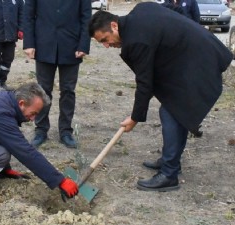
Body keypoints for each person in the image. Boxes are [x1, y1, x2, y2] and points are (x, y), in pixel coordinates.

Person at [88, 3, 232, 191]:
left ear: (114, 26)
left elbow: (145, 83)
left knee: (171, 113)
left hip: (199, 61)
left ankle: (169, 174)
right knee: (174, 111)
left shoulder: (136, 40)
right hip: (189, 57)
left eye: (105, 39)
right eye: (101, 43)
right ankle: (169, 161)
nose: (107, 46)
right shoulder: (139, 10)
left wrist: (134, 118)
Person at [23, 0, 92, 148]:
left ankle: (65, 131)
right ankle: (41, 129)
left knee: (68, 90)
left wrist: (83, 44)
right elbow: (28, 15)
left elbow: (86, 17)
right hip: (43, 44)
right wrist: (29, 43)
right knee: (42, 90)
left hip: (71, 45)